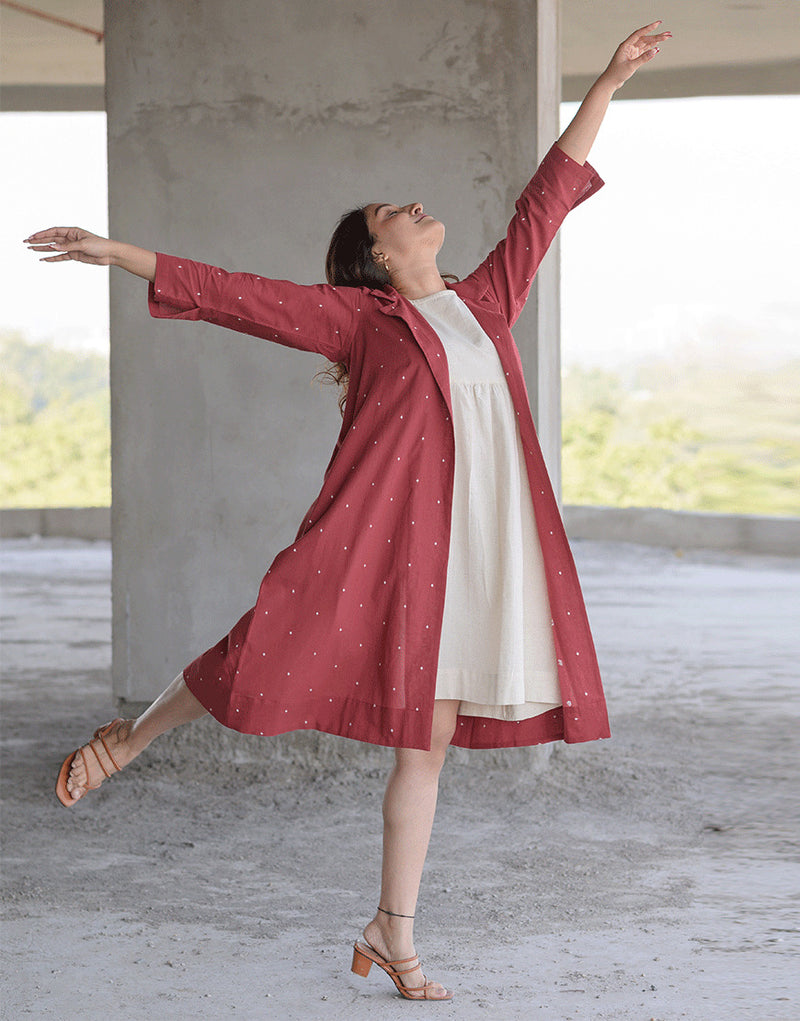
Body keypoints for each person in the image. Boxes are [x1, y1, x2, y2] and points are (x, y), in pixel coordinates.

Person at [24, 21, 670, 1002]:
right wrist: (116, 250)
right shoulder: (363, 322)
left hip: (469, 561)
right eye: (389, 213)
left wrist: (609, 82)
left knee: (427, 746)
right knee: (261, 645)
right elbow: (236, 296)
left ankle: (391, 929)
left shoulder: (486, 301)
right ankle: (130, 739)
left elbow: (547, 194)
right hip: (381, 541)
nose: (412, 206)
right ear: (378, 257)